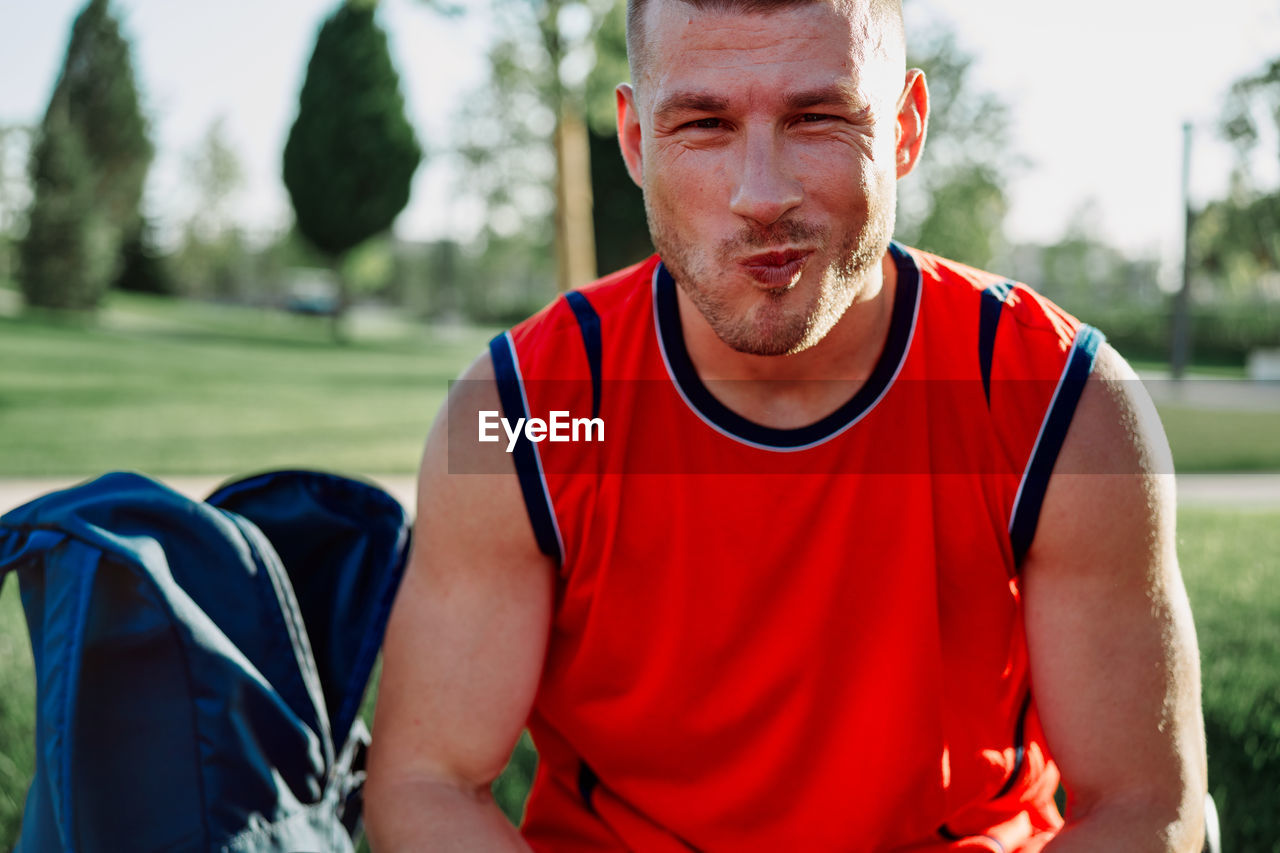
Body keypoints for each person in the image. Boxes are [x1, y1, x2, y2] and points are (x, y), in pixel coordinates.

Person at [363, 0, 1208, 849]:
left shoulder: (1055, 399)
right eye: (704, 123)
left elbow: (1141, 805)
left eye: (818, 118)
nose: (760, 195)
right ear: (634, 142)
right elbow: (426, 783)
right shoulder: (523, 417)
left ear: (907, 128)